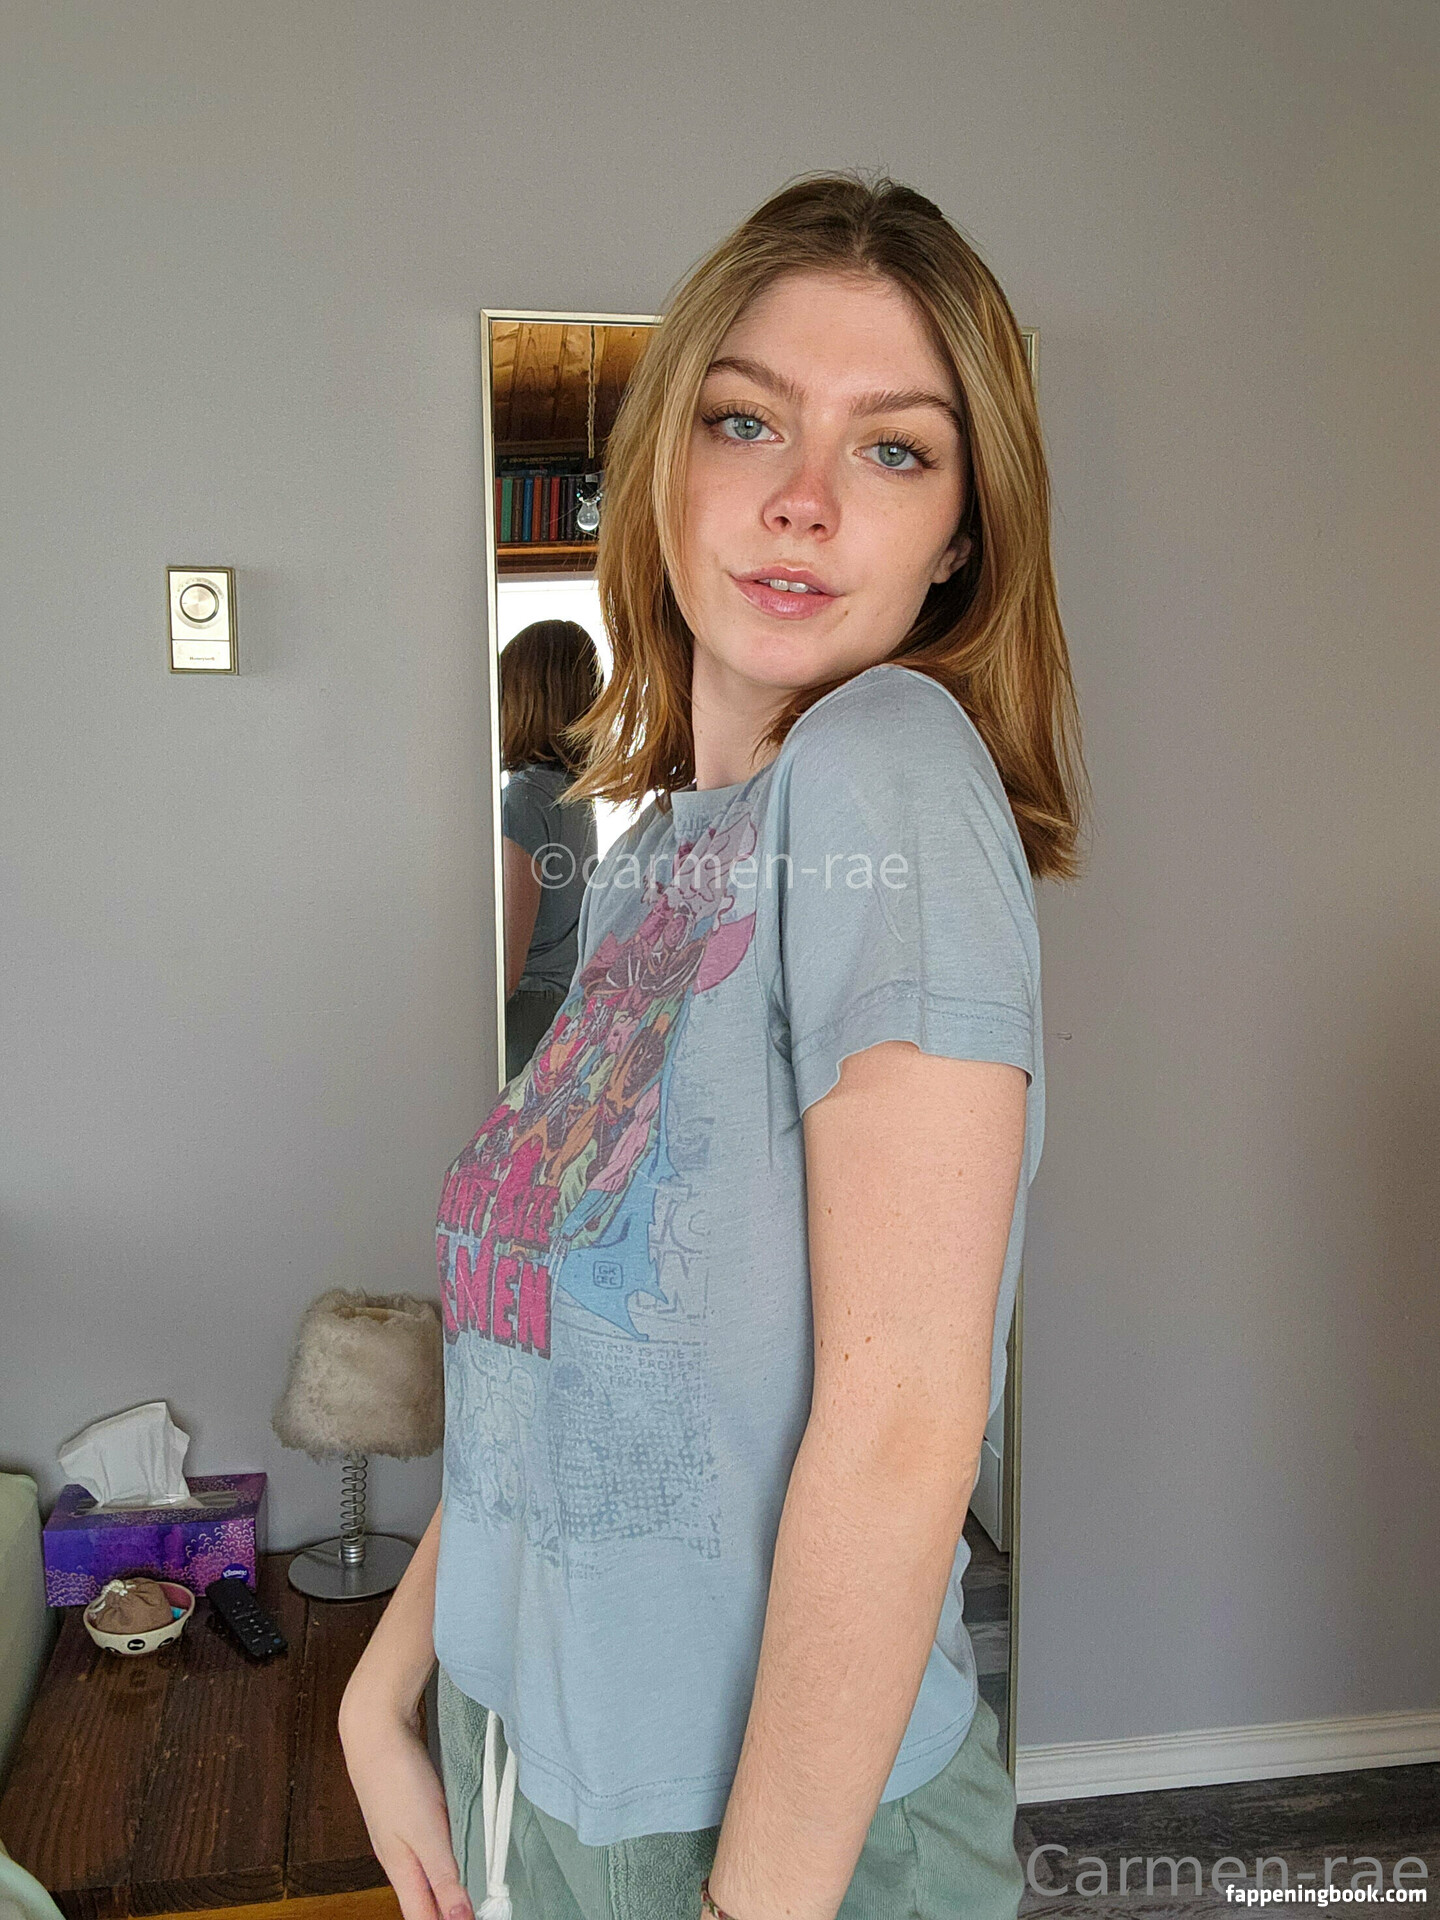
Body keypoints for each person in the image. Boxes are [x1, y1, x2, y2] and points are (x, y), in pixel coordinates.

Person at [339, 171, 1087, 1920]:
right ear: (665, 460)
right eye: (747, 420)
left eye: (894, 448)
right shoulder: (653, 861)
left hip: (773, 1844)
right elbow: (545, 1364)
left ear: (961, 535)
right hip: (537, 1772)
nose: (805, 497)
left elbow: (905, 1426)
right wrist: (386, 1691)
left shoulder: (887, 766)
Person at [497, 619, 601, 1083]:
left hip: (524, 1020)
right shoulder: (575, 798)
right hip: (563, 1014)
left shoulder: (523, 801)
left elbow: (507, 966)